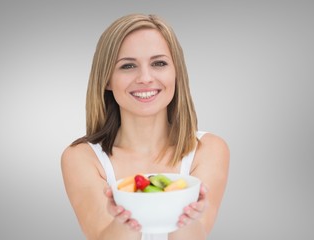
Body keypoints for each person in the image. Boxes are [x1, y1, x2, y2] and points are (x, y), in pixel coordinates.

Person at [61, 13, 230, 240]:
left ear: (176, 73)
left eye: (159, 63)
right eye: (128, 65)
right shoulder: (81, 158)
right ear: (107, 79)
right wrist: (125, 224)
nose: (145, 78)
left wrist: (188, 221)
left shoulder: (208, 149)